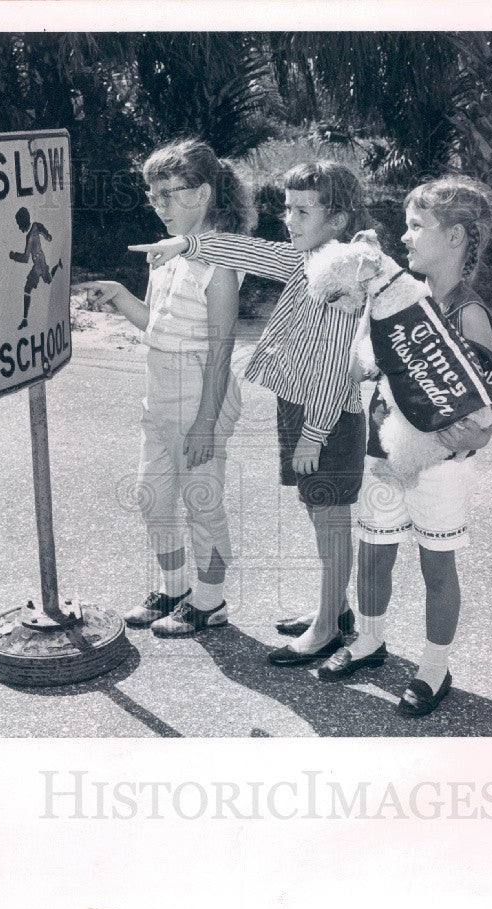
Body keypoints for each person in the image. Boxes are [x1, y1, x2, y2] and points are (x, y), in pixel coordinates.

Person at [129, 162, 372, 665]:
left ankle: (327, 629)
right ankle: (337, 609)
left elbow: (333, 362)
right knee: (318, 512)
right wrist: (187, 246)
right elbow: (249, 250)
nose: (289, 218)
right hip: (303, 410)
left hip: (325, 417)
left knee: (330, 519)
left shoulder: (340, 276)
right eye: (287, 207)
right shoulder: (307, 260)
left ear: (339, 219)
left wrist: (313, 433)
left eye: (304, 209)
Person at [317, 175, 492, 717]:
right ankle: (371, 641)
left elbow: (489, 395)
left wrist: (482, 432)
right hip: (385, 447)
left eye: (417, 226)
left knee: (436, 566)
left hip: (441, 463)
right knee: (374, 551)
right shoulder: (400, 298)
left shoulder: (467, 312)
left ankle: (433, 668)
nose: (405, 237)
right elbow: (366, 364)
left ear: (457, 238)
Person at [75, 139, 255, 635]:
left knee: (202, 503)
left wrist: (204, 422)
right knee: (152, 497)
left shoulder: (219, 259)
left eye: (169, 195)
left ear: (201, 193)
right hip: (158, 393)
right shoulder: (164, 255)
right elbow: (155, 323)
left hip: (201, 395)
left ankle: (211, 601)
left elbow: (221, 351)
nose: (159, 206)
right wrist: (120, 295)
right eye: (152, 196)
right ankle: (174, 586)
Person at [9, 207, 63, 330]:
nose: (18, 227)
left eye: (19, 224)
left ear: (22, 222)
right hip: (40, 261)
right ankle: (57, 266)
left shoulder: (29, 237)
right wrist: (47, 235)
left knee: (28, 289)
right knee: (46, 281)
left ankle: (25, 320)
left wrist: (13, 255)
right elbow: (43, 230)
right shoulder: (35, 226)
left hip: (39, 264)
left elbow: (25, 258)